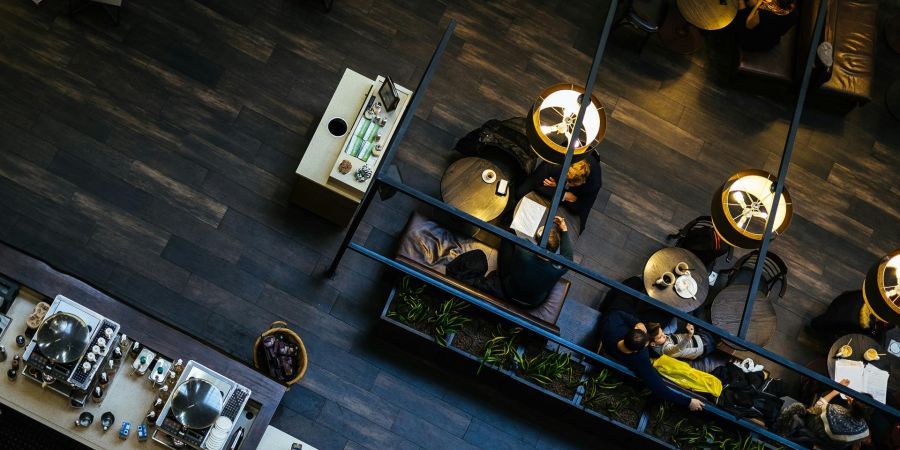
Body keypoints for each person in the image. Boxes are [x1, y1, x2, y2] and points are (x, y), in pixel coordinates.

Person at [599, 309, 705, 412]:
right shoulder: (640, 360)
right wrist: (688, 401)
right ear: (636, 350)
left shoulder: (611, 327)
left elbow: (616, 313)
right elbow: (660, 388)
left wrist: (637, 322)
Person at [497, 216, 572, 307]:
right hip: (534, 302)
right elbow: (569, 258)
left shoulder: (522, 251)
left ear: (538, 243)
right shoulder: (559, 268)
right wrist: (564, 230)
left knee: (508, 236)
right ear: (555, 249)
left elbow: (519, 240)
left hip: (509, 292)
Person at [777, 379, 873, 449]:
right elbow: (865, 441)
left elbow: (817, 406)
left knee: (823, 392)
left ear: (851, 402)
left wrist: (837, 390)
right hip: (828, 445)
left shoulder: (833, 410)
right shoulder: (864, 431)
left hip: (813, 430)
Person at [516, 157, 602, 231]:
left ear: (583, 182)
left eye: (573, 185)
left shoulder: (593, 185)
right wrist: (563, 192)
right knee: (520, 193)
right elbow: (538, 186)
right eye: (567, 181)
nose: (568, 185)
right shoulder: (555, 165)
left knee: (575, 227)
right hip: (556, 176)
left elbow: (581, 209)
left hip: (573, 202)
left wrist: (561, 191)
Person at [810, 290, 892, 343]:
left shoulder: (871, 295)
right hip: (837, 315)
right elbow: (821, 322)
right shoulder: (854, 320)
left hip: (842, 302)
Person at [735, 0, 799, 52]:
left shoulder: (762, 13)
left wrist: (741, 2)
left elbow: (747, 25)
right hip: (771, 42)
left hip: (752, 43)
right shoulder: (794, 13)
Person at [647, 322, 717, 360]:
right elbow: (679, 348)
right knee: (718, 333)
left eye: (662, 331)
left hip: (697, 336)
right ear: (653, 344)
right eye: (660, 337)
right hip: (703, 346)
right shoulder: (665, 350)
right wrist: (689, 334)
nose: (664, 335)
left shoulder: (661, 338)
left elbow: (672, 327)